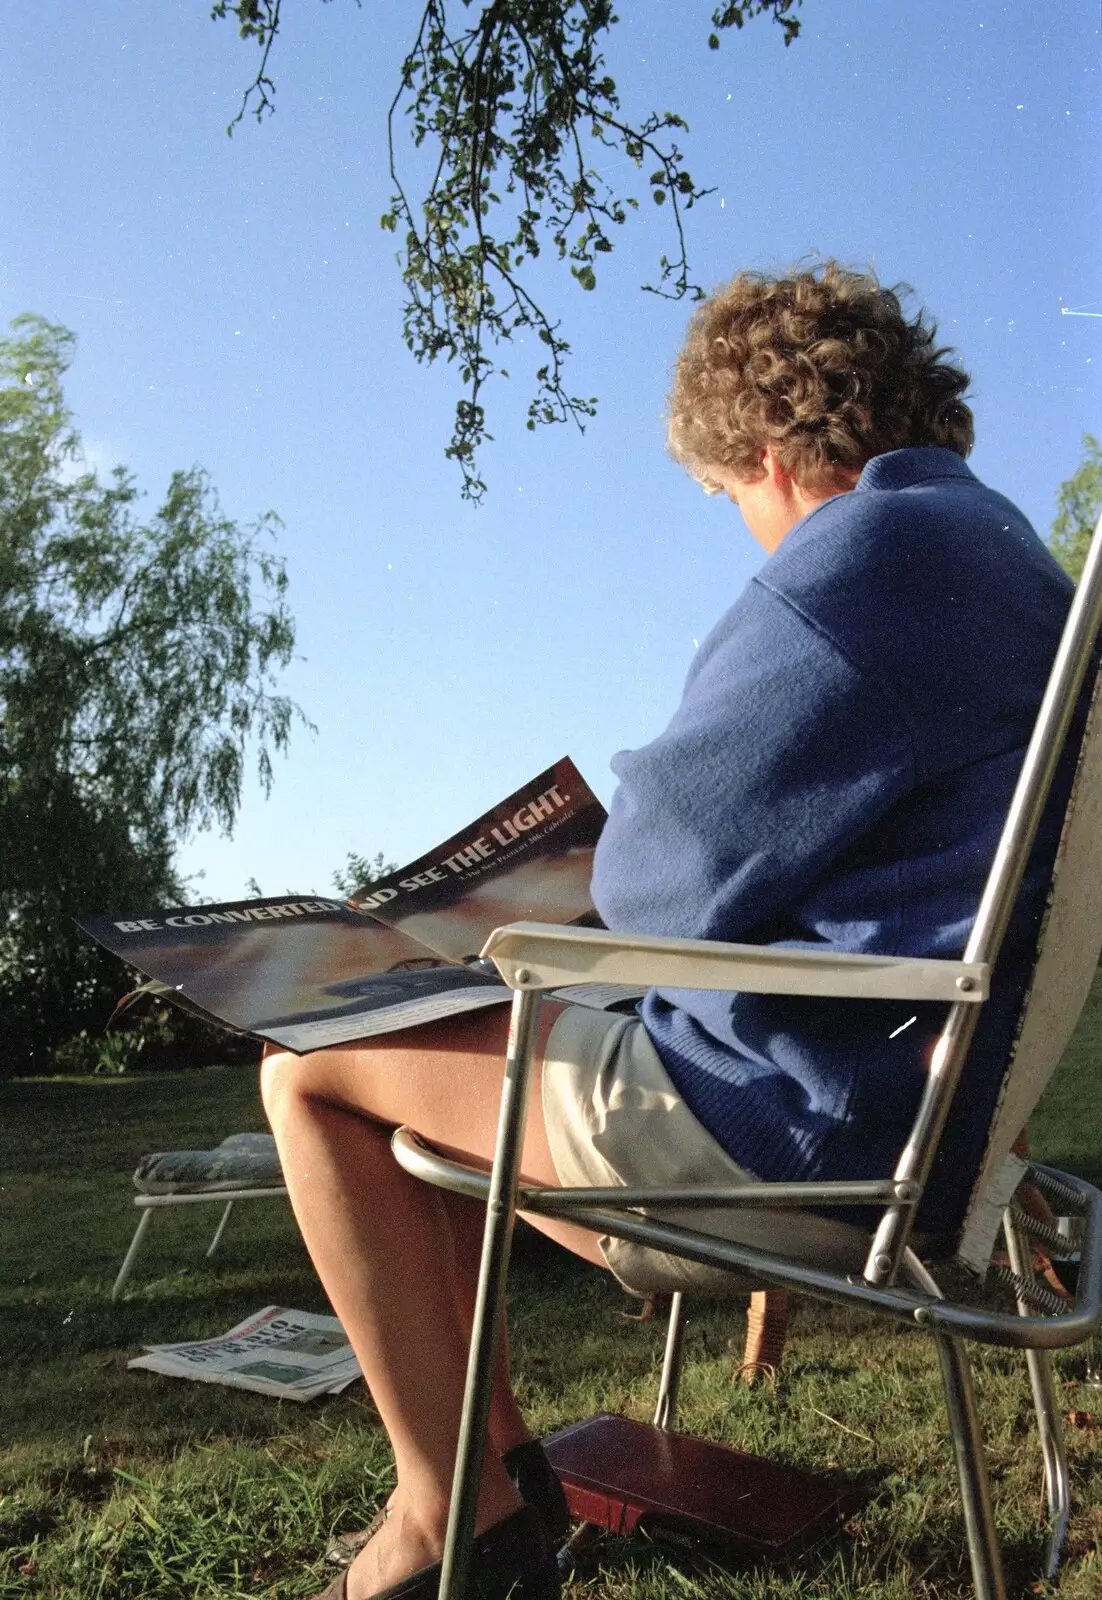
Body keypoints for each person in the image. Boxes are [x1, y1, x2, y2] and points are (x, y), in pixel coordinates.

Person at [260, 261, 1077, 1600]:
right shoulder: (1005, 562)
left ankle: (452, 1508)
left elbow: (651, 884)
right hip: (929, 1129)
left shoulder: (857, 562)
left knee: (310, 1070)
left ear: (760, 455)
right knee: (436, 1057)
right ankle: (493, 1481)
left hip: (793, 1139)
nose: (745, 534)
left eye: (727, 504)